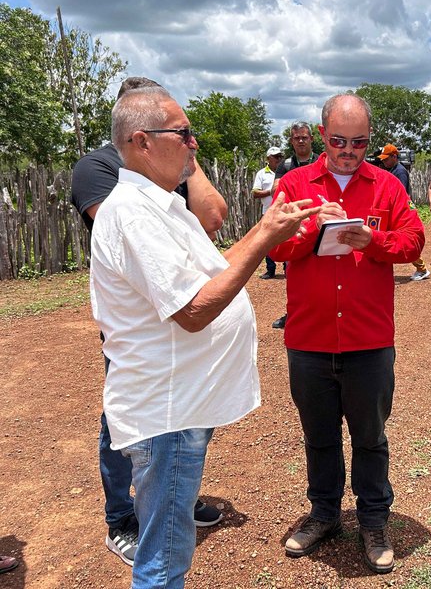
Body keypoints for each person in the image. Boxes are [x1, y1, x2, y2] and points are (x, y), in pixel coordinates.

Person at [90, 86, 318, 588]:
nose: (194, 144)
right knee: (164, 559)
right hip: (167, 411)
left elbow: (215, 270)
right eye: (184, 133)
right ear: (142, 142)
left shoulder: (161, 206)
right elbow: (193, 311)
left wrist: (264, 231)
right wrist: (264, 237)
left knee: (168, 548)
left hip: (180, 402)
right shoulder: (131, 212)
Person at [70, 77, 228, 567]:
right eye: (179, 129)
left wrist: (185, 152)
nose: (189, 139)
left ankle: (167, 494)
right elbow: (139, 241)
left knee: (175, 435)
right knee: (127, 422)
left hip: (178, 342)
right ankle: (123, 515)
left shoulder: (164, 168)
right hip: (142, 328)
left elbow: (213, 215)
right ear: (137, 127)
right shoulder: (100, 170)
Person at [270, 94, 424, 574]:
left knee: (371, 436)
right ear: (321, 135)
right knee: (318, 436)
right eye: (338, 141)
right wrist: (310, 230)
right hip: (310, 339)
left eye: (359, 142)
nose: (348, 151)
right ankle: (324, 514)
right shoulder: (294, 184)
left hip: (368, 339)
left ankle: (373, 519)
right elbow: (273, 244)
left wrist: (372, 240)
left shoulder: (387, 186)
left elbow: (415, 240)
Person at [270, 121, 319, 329]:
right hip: (295, 224)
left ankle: (319, 312)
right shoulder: (286, 164)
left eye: (304, 137)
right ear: (291, 141)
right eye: (297, 137)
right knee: (292, 270)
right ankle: (294, 313)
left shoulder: (320, 160)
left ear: (311, 139)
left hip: (318, 219)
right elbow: (276, 190)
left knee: (319, 268)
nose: (300, 140)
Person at [377, 143, 430, 281]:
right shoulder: (393, 169)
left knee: (403, 238)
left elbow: (401, 192)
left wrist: (398, 211)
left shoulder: (400, 171)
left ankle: (422, 268)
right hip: (396, 209)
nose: (383, 161)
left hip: (401, 210)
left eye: (386, 159)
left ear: (394, 157)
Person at [252, 146, 286, 279]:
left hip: (284, 210)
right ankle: (270, 269)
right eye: (276, 157)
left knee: (286, 238)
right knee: (267, 239)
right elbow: (255, 193)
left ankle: (287, 268)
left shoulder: (285, 171)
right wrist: (271, 191)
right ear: (268, 159)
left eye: (280, 156)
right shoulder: (261, 173)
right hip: (267, 211)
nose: (279, 159)